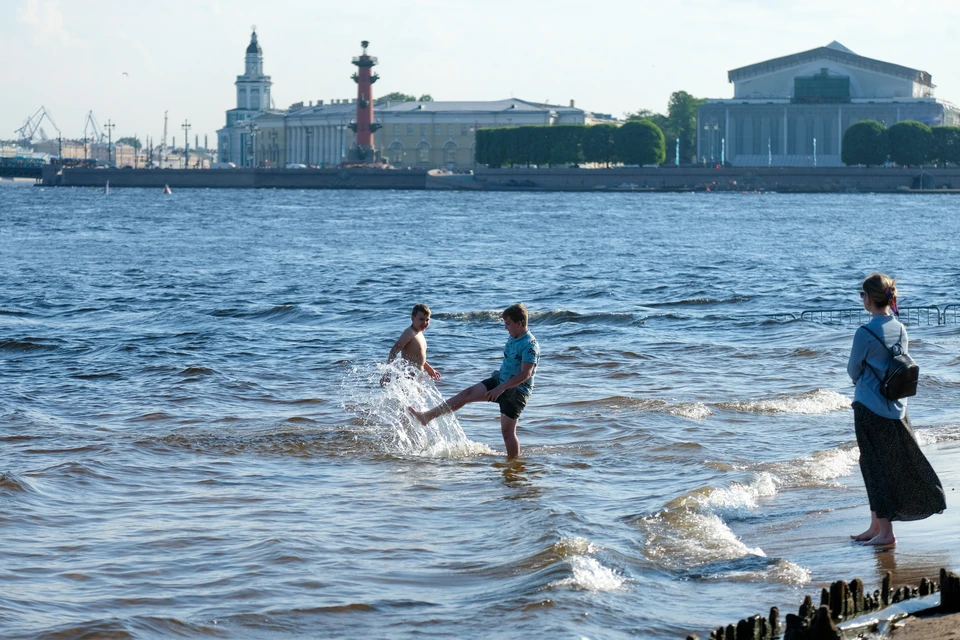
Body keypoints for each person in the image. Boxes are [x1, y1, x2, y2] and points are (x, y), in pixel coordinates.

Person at [847, 273, 945, 546]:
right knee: (875, 462)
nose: (862, 299)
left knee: (874, 465)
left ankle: (887, 533)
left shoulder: (864, 333)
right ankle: (876, 526)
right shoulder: (900, 328)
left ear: (869, 298)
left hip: (869, 406)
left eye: (862, 295)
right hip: (897, 406)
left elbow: (852, 369)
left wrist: (863, 383)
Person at [408, 303, 539, 458]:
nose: (506, 328)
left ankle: (514, 467)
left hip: (516, 391)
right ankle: (427, 416)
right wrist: (499, 385)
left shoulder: (530, 345)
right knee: (467, 394)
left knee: (507, 432)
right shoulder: (513, 337)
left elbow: (526, 374)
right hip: (500, 381)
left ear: (519, 323)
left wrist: (501, 388)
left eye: (508, 324)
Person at [381, 303, 440, 385]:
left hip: (417, 378)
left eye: (427, 320)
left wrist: (429, 369)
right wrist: (387, 374)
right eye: (421, 319)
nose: (425, 323)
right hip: (407, 378)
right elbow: (393, 351)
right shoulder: (409, 332)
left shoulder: (419, 334)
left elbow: (418, 358)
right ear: (412, 318)